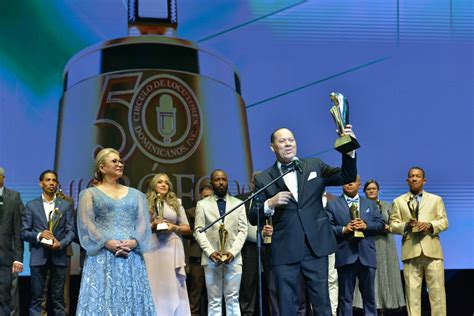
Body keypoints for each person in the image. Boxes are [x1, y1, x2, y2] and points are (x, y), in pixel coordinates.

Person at [249, 126, 357, 316]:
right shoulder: (263, 178)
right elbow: (253, 216)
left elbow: (346, 176)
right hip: (285, 250)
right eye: (282, 141)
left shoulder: (314, 165)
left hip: (315, 247)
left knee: (322, 304)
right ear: (272, 147)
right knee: (287, 305)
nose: (288, 143)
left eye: (291, 139)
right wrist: (270, 203)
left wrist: (349, 150)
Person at [76, 148, 155, 315]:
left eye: (121, 161)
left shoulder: (137, 195)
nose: (120, 164)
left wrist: (134, 242)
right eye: (114, 161)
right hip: (102, 255)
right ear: (102, 167)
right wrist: (106, 242)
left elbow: (142, 223)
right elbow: (87, 222)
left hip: (131, 255)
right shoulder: (89, 194)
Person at [390, 167, 448, 316]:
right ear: (407, 180)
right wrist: (405, 225)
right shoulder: (398, 201)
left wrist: (430, 225)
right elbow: (392, 225)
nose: (414, 178)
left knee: (437, 294)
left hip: (432, 251)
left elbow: (444, 222)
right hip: (411, 251)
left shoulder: (436, 199)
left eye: (418, 176)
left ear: (424, 180)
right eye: (411, 176)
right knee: (412, 295)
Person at [325, 175, 384, 316]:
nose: (349, 184)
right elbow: (327, 228)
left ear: (359, 184)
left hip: (367, 255)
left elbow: (381, 225)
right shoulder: (332, 204)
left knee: (369, 298)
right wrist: (344, 229)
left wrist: (366, 225)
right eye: (346, 181)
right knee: (346, 298)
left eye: (353, 181)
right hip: (345, 256)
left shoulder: (370, 204)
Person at [21, 170, 75, 315]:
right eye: (48, 180)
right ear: (41, 183)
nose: (51, 183)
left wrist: (61, 244)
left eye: (54, 180)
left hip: (59, 256)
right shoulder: (31, 205)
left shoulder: (65, 205)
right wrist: (39, 235)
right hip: (39, 257)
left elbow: (71, 231)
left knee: (59, 300)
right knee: (37, 299)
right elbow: (24, 232)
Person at [194, 169, 248, 316]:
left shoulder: (238, 204)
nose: (221, 182)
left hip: (233, 258)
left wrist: (233, 252)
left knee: (232, 298)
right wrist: (211, 252)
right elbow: (198, 231)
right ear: (211, 183)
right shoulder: (202, 205)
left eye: (223, 179)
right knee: (214, 300)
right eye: (217, 180)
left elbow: (243, 231)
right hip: (212, 259)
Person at [353, 179, 406, 314]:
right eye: (368, 189)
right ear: (364, 191)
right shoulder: (360, 206)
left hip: (386, 245)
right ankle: (371, 309)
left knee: (386, 274)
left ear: (378, 190)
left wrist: (384, 227)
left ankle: (384, 307)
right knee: (370, 276)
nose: (371, 191)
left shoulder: (387, 206)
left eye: (374, 188)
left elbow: (395, 225)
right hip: (367, 244)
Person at [144, 173, 192, 315]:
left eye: (166, 182)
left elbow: (187, 228)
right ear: (153, 185)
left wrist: (174, 227)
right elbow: (138, 228)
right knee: (154, 285)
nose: (164, 184)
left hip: (171, 246)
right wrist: (152, 224)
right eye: (160, 182)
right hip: (152, 247)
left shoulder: (176, 203)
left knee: (173, 286)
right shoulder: (144, 203)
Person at [185, 184, 213, 316]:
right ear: (200, 196)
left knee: (213, 292)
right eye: (205, 196)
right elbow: (185, 232)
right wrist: (198, 233)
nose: (207, 198)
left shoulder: (217, 211)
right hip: (197, 255)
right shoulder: (191, 211)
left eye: (210, 196)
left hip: (214, 255)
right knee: (196, 290)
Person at [0, 167, 24, 316]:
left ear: (3, 178)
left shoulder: (14, 197)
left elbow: (18, 231)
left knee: (4, 297)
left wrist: (18, 258)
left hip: (6, 257)